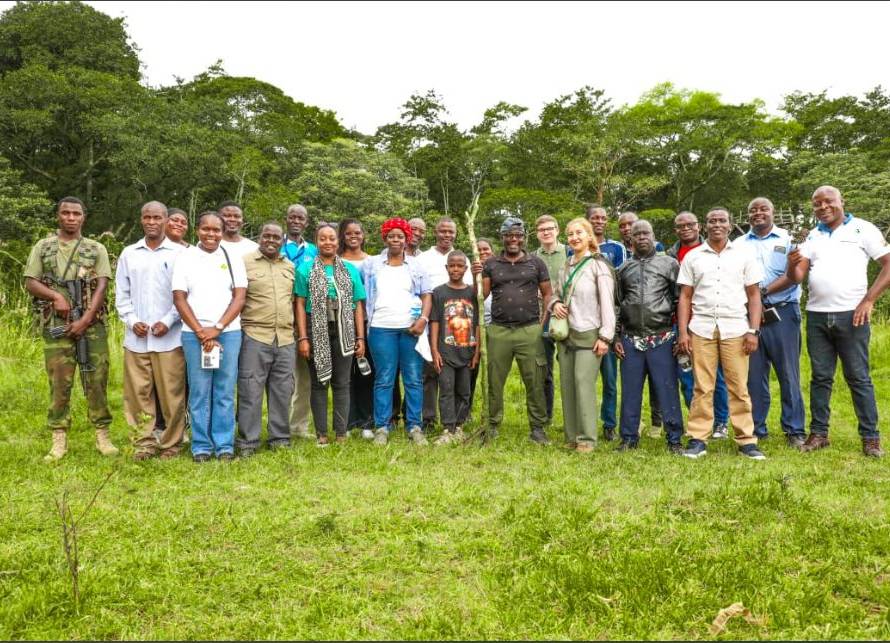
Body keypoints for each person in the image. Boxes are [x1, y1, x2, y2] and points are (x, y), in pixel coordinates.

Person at [787, 185, 890, 457]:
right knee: (820, 377)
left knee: (858, 377)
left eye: (827, 201)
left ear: (841, 200)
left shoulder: (863, 229)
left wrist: (868, 300)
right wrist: (790, 264)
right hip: (817, 315)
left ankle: (870, 438)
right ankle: (819, 434)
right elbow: (798, 276)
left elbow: (888, 264)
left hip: (851, 314)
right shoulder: (813, 235)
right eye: (817, 204)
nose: (822, 207)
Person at [24, 196, 119, 461]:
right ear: (58, 216)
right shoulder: (43, 247)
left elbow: (102, 285)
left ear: (83, 217)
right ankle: (58, 437)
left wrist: (86, 318)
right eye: (65, 213)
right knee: (59, 381)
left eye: (76, 213)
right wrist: (56, 297)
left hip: (92, 325)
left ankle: (102, 434)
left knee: (96, 378)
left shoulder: (95, 248)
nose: (70, 218)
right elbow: (30, 281)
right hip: (56, 323)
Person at [676, 207, 766, 460]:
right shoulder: (693, 257)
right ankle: (698, 439)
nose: (717, 224)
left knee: (738, 386)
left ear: (730, 225)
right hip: (702, 328)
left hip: (736, 328)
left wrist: (753, 330)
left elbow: (754, 295)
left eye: (722, 221)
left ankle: (746, 440)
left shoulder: (744, 255)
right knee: (702, 386)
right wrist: (683, 332)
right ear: (705, 226)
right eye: (712, 221)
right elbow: (685, 296)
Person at [172, 211, 247, 462]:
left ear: (222, 232)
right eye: (206, 229)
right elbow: (179, 298)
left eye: (216, 230)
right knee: (200, 390)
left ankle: (224, 444)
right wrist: (201, 332)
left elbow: (239, 297)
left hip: (228, 333)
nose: (211, 234)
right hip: (194, 335)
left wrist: (218, 328)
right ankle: (201, 446)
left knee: (225, 390)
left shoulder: (232, 257)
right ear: (197, 230)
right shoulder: (186, 257)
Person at [115, 201, 187, 461]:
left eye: (157, 217)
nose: (152, 222)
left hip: (169, 338)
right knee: (137, 393)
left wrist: (167, 321)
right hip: (137, 338)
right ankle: (143, 443)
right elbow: (121, 294)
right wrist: (132, 320)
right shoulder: (129, 253)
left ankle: (171, 444)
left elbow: (184, 295)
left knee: (172, 395)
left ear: (166, 220)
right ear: (141, 220)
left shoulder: (179, 254)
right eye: (147, 217)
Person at [737, 197, 806, 448]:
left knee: (788, 373)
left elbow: (796, 277)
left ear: (773, 212)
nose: (758, 213)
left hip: (783, 313)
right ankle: (756, 427)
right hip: (749, 315)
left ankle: (794, 429)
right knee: (754, 376)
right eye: (753, 210)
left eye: (763, 209)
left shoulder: (788, 240)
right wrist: (752, 301)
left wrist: (762, 293)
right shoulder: (738, 244)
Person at [476, 217, 553, 444]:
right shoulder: (491, 264)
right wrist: (476, 275)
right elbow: (482, 296)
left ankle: (537, 428)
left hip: (529, 330)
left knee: (535, 379)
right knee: (494, 380)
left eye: (517, 235)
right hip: (499, 331)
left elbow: (547, 293)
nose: (513, 239)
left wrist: (542, 321)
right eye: (509, 235)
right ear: (502, 237)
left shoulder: (536, 263)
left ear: (523, 237)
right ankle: (492, 425)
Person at [614, 220, 685, 454]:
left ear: (653, 236)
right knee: (631, 391)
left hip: (662, 337)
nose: (642, 237)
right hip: (631, 339)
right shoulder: (623, 269)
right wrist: (616, 337)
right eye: (637, 234)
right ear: (630, 239)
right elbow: (617, 305)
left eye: (646, 233)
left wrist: (679, 335)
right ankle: (628, 438)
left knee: (667, 389)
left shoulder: (669, 264)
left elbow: (680, 301)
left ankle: (674, 438)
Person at [547, 218, 615, 452]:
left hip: (590, 333)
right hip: (567, 334)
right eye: (570, 234)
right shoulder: (565, 265)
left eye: (579, 233)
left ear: (589, 236)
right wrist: (555, 304)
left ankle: (587, 439)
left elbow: (608, 303)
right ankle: (572, 437)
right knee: (567, 385)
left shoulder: (599, 266)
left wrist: (605, 336)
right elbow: (555, 294)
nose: (574, 237)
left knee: (583, 384)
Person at [362, 217, 433, 445]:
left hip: (410, 329)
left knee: (413, 379)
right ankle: (382, 426)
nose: (395, 239)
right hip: (380, 328)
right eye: (391, 236)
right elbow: (362, 298)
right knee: (384, 378)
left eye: (400, 236)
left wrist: (423, 319)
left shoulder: (416, 266)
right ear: (385, 237)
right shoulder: (371, 264)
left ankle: (414, 426)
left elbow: (426, 295)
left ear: (406, 239)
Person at [296, 223, 367, 446]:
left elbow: (357, 305)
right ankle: (322, 434)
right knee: (319, 383)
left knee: (342, 383)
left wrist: (360, 338)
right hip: (315, 329)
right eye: (323, 239)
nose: (328, 242)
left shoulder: (350, 269)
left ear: (339, 242)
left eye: (332, 238)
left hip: (344, 330)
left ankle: (341, 433)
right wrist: (303, 338)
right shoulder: (305, 269)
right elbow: (299, 303)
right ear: (316, 242)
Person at [235, 222, 297, 457]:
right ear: (259, 237)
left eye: (276, 237)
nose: (271, 240)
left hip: (284, 337)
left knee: (283, 390)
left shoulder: (289, 266)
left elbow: (293, 301)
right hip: (254, 335)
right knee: (250, 389)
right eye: (266, 236)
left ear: (282, 240)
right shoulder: (245, 262)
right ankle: (248, 442)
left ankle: (279, 438)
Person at [667, 210, 730, 438]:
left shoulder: (712, 250)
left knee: (715, 375)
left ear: (698, 227)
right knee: (686, 375)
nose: (685, 229)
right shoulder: (670, 255)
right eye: (680, 226)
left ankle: (721, 421)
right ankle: (698, 420)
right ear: (676, 230)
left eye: (690, 225)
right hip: (681, 323)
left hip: (708, 322)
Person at [418, 217, 474, 428]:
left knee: (460, 382)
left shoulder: (461, 256)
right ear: (436, 232)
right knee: (431, 372)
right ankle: (430, 418)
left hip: (459, 327)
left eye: (451, 232)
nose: (447, 235)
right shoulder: (424, 258)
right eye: (443, 231)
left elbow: (470, 298)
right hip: (431, 320)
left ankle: (459, 421)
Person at [430, 251, 480, 444]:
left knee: (464, 391)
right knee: (446, 389)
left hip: (467, 352)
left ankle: (459, 426)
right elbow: (434, 321)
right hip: (446, 353)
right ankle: (447, 428)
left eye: (460, 266)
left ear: (466, 269)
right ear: (447, 268)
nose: (456, 269)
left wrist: (476, 351)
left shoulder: (472, 293)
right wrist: (434, 350)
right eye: (452, 265)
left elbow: (477, 324)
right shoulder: (439, 292)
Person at [585, 205, 625, 441]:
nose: (599, 221)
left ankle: (609, 424)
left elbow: (620, 287)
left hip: (609, 322)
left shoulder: (616, 248)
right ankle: (585, 421)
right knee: (585, 379)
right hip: (584, 322)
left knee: (610, 380)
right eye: (594, 218)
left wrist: (616, 329)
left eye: (603, 218)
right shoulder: (576, 249)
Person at [281, 204, 319, 441]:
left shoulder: (313, 250)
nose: (296, 221)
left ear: (306, 223)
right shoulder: (276, 245)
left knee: (304, 377)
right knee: (281, 377)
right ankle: (279, 425)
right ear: (286, 220)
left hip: (305, 319)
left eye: (301, 218)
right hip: (279, 318)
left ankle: (299, 426)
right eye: (292, 217)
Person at [339, 218, 375, 439]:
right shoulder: (336, 261)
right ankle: (347, 421)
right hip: (342, 323)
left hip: (368, 323)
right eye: (348, 233)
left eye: (357, 233)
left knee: (366, 372)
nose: (353, 236)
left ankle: (366, 421)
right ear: (342, 236)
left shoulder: (372, 261)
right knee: (345, 375)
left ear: (363, 235)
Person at [533, 214, 568, 423]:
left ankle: (571, 416)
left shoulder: (569, 252)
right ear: (537, 234)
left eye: (550, 228)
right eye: (542, 229)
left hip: (566, 314)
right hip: (541, 316)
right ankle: (546, 415)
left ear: (557, 230)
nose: (546, 232)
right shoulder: (531, 257)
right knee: (544, 367)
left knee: (568, 366)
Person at [468, 238, 494, 405]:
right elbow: (474, 298)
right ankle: (467, 407)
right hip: (475, 326)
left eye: (486, 249)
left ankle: (491, 406)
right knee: (472, 368)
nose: (483, 252)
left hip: (495, 325)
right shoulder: (469, 270)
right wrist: (474, 274)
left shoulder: (500, 268)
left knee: (493, 369)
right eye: (479, 250)